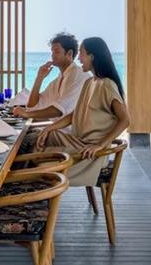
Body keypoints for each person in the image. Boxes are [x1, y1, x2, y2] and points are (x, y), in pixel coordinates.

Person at [35, 37, 130, 186]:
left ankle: (23, 189)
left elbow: (125, 120)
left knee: (37, 164)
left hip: (89, 153)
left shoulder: (107, 85)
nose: (78, 58)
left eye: (81, 53)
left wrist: (100, 145)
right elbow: (74, 114)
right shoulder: (89, 82)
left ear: (92, 56)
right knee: (35, 139)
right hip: (77, 142)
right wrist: (49, 128)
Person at [12, 32, 88, 121]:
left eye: (57, 51)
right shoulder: (59, 79)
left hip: (72, 130)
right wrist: (39, 78)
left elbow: (58, 110)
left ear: (69, 54)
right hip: (57, 127)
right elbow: (32, 106)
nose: (52, 55)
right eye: (52, 51)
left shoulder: (77, 75)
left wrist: (27, 114)